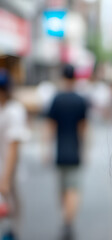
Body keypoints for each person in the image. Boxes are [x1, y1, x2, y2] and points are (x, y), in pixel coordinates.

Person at [46, 64, 88, 240]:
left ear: (63, 77)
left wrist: (47, 148)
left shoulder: (56, 99)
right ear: (75, 78)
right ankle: (68, 222)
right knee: (74, 189)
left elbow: (50, 125)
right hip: (74, 148)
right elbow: (83, 127)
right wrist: (84, 148)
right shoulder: (80, 100)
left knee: (63, 189)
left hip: (60, 149)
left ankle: (66, 218)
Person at [0, 68, 29, 240]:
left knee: (11, 212)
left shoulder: (14, 110)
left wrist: (6, 179)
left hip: (8, 173)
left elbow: (14, 147)